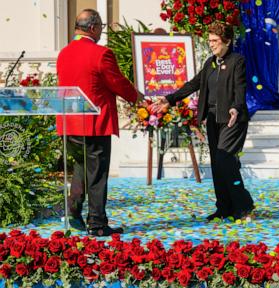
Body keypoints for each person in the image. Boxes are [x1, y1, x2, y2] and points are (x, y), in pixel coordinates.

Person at [153, 21, 254, 221]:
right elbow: (193, 84)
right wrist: (169, 99)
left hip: (232, 120)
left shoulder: (237, 61)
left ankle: (243, 205)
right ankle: (224, 207)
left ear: (227, 41)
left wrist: (235, 107)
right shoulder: (210, 63)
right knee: (217, 164)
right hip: (213, 119)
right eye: (210, 41)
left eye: (215, 41)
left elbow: (240, 88)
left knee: (226, 159)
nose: (212, 44)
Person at [56, 9, 143, 236]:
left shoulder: (64, 53)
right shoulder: (100, 53)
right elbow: (117, 82)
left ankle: (73, 211)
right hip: (94, 123)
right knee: (96, 174)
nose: (101, 32)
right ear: (93, 27)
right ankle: (96, 223)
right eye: (101, 28)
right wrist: (137, 97)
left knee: (80, 167)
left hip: (70, 122)